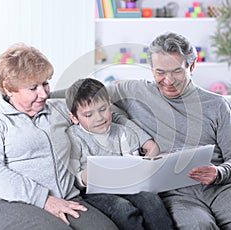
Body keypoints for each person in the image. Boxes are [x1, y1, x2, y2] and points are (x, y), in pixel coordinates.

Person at [106, 32, 231, 229]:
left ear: (192, 66)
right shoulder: (134, 92)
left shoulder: (217, 104)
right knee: (198, 226)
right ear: (152, 70)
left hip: (221, 188)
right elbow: (84, 96)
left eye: (177, 71)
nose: (168, 80)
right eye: (160, 72)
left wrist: (219, 172)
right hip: (175, 193)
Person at [0, 44, 118, 230]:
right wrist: (43, 199)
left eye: (45, 83)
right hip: (3, 202)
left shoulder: (58, 109)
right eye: (32, 88)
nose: (43, 94)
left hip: (66, 198)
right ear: (8, 88)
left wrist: (142, 139)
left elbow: (105, 108)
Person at [65, 78, 174, 230]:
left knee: (151, 200)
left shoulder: (123, 132)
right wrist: (84, 178)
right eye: (89, 115)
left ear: (109, 104)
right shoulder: (73, 137)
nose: (99, 118)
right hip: (95, 192)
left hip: (126, 185)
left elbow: (134, 162)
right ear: (74, 118)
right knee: (122, 208)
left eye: (103, 109)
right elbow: (71, 175)